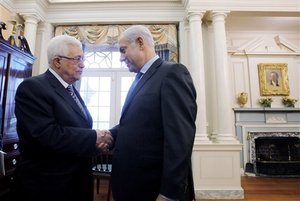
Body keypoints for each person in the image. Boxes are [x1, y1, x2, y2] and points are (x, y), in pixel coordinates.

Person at [11, 35, 113, 201]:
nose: (83, 64)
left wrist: (96, 144)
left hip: (74, 183)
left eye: (83, 58)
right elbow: (45, 135)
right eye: (77, 59)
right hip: (47, 187)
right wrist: (93, 136)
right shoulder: (33, 87)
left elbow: (80, 128)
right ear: (57, 61)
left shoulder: (70, 89)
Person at [109, 25, 197, 201]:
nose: (121, 58)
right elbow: (137, 123)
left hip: (153, 187)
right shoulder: (140, 78)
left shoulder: (172, 73)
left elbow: (180, 139)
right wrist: (109, 135)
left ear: (140, 42)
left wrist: (169, 194)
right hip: (133, 184)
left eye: (123, 50)